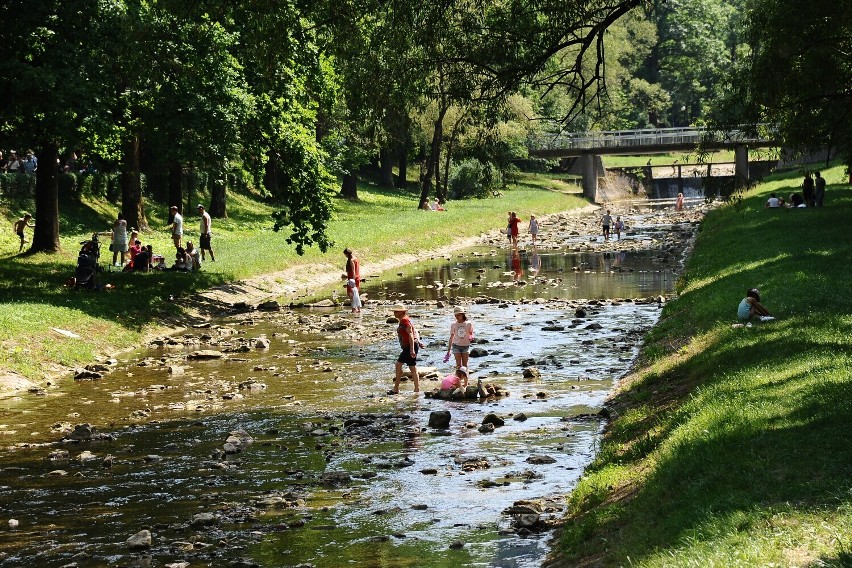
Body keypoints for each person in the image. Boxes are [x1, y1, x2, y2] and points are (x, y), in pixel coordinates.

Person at [390, 303, 420, 394]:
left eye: (396, 311)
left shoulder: (404, 321)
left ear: (402, 312)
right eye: (394, 311)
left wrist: (411, 349)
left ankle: (396, 388)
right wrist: (417, 342)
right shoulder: (404, 320)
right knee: (412, 367)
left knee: (398, 365)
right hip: (411, 345)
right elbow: (414, 332)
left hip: (409, 347)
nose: (394, 313)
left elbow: (411, 333)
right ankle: (416, 389)